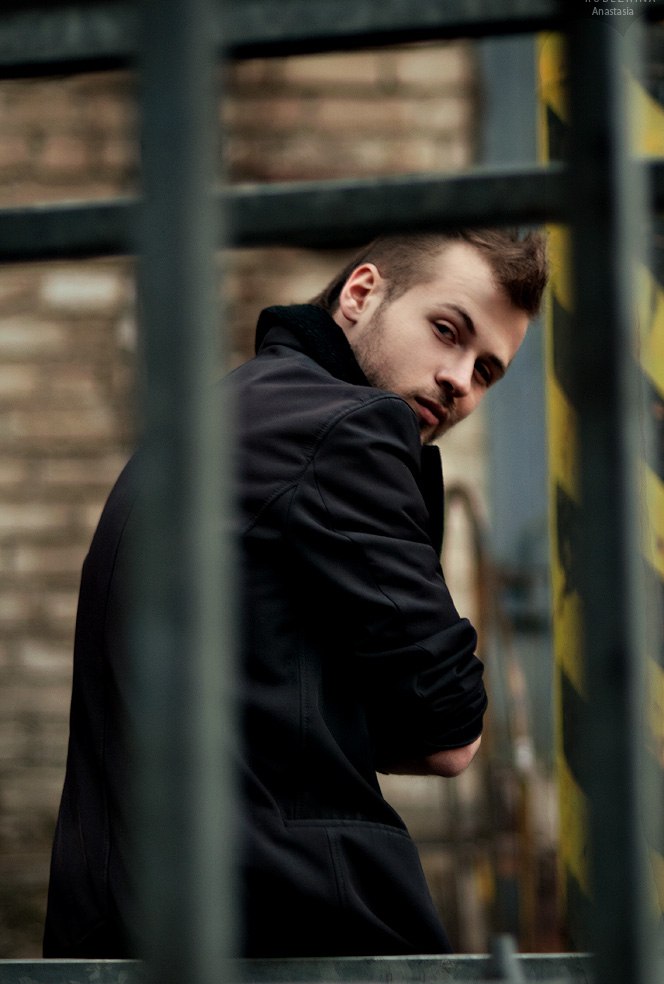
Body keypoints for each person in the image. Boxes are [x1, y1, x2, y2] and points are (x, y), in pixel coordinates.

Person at [43, 227, 548, 959]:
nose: (459, 380)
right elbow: (449, 733)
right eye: (447, 331)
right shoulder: (347, 428)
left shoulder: (222, 415)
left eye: (488, 371)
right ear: (361, 292)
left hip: (128, 918)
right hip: (285, 919)